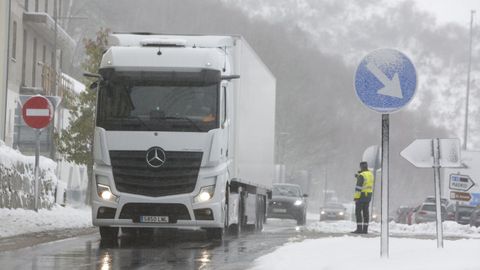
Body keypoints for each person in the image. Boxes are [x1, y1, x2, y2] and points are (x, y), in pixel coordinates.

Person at [352, 161, 374, 234]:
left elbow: (359, 187)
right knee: (366, 213)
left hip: (361, 196)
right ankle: (365, 230)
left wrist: (356, 197)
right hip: (368, 196)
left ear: (361, 167)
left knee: (358, 213)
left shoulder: (362, 175)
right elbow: (366, 182)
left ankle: (359, 229)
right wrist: (358, 176)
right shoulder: (370, 174)